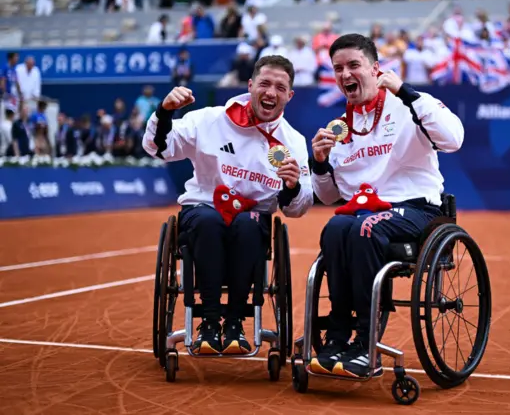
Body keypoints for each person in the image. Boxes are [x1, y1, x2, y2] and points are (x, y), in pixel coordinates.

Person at [309, 34, 464, 378]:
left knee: (366, 228)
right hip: (366, 212)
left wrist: (406, 91)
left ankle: (366, 343)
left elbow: (454, 139)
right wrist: (319, 162)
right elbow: (332, 196)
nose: (345, 74)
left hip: (416, 209)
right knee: (335, 228)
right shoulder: (340, 127)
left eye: (354, 65)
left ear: (375, 69)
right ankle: (336, 337)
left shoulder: (409, 105)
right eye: (338, 68)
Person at [143, 55, 314, 355]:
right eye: (264, 83)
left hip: (251, 220)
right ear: (250, 86)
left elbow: (297, 208)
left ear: (290, 95)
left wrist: (292, 186)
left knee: (248, 226)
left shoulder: (294, 143)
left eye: (279, 87)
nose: (271, 92)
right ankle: (208, 322)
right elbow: (159, 147)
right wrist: (164, 111)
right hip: (203, 209)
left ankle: (234, 323)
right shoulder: (209, 119)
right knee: (209, 222)